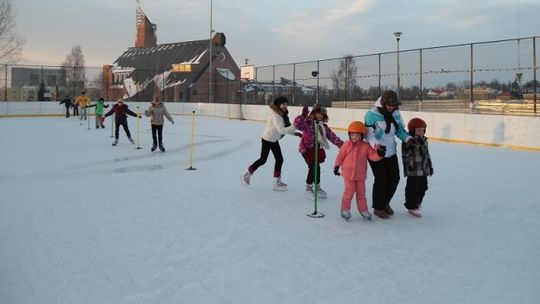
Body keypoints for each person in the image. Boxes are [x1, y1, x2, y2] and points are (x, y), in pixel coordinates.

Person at [364, 90, 412, 219]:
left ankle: (385, 202)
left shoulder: (395, 113)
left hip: (391, 151)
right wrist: (376, 145)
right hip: (376, 152)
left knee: (394, 178)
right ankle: (378, 207)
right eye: (389, 105)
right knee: (381, 179)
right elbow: (369, 135)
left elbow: (400, 130)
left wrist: (407, 139)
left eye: (394, 105)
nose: (392, 107)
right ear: (383, 104)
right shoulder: (371, 114)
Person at [241, 96, 297, 191]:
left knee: (279, 159)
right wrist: (295, 126)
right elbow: (282, 130)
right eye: (283, 104)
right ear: (278, 105)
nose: (285, 106)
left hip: (273, 139)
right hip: (268, 139)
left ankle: (276, 181)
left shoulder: (282, 115)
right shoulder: (276, 116)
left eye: (286, 104)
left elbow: (286, 128)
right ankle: (247, 174)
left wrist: (296, 133)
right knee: (263, 160)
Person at [334, 121, 385, 221]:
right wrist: (336, 166)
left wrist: (380, 154)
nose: (354, 137)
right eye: (352, 135)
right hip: (348, 175)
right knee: (348, 193)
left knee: (361, 194)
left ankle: (363, 210)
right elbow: (340, 156)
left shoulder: (365, 146)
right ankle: (345, 209)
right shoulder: (346, 145)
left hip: (360, 176)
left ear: (362, 135)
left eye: (357, 135)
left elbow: (372, 156)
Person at [294, 104, 343, 200]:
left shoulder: (323, 127)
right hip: (306, 149)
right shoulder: (308, 123)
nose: (320, 115)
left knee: (317, 168)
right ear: (314, 113)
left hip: (316, 150)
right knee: (313, 167)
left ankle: (317, 187)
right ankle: (308, 189)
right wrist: (303, 116)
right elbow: (298, 124)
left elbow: (332, 137)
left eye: (322, 114)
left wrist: (342, 145)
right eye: (318, 113)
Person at [402, 118, 434, 217]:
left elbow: (427, 154)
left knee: (424, 187)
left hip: (423, 169)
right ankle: (411, 206)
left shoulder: (424, 140)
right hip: (413, 170)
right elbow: (406, 153)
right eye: (418, 130)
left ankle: (416, 203)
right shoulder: (408, 140)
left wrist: (430, 167)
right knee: (412, 188)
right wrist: (411, 144)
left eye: (422, 130)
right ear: (412, 130)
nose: (421, 132)